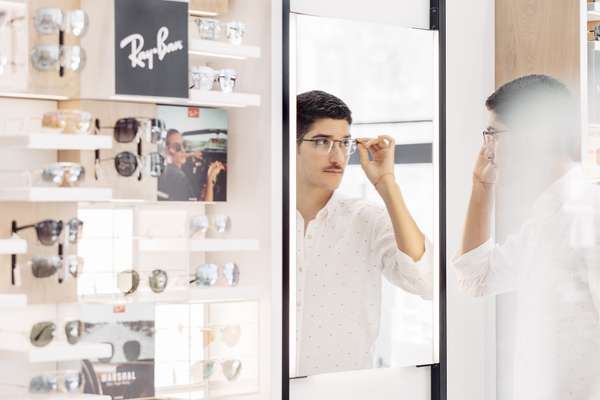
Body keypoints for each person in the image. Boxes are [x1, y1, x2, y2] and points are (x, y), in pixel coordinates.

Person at [453, 74, 600, 400]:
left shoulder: (588, 213)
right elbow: (477, 277)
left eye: (494, 134)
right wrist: (481, 185)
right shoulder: (544, 220)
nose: (486, 148)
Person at [295, 90, 433, 376]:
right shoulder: (264, 221)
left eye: (344, 143)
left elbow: (425, 280)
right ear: (289, 145)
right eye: (322, 142)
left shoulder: (367, 219)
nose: (337, 156)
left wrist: (387, 185)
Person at [157, 129, 194, 201]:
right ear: (167, 150)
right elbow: (195, 208)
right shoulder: (179, 177)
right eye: (177, 147)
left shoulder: (163, 172)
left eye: (184, 145)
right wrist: (210, 181)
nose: (183, 150)